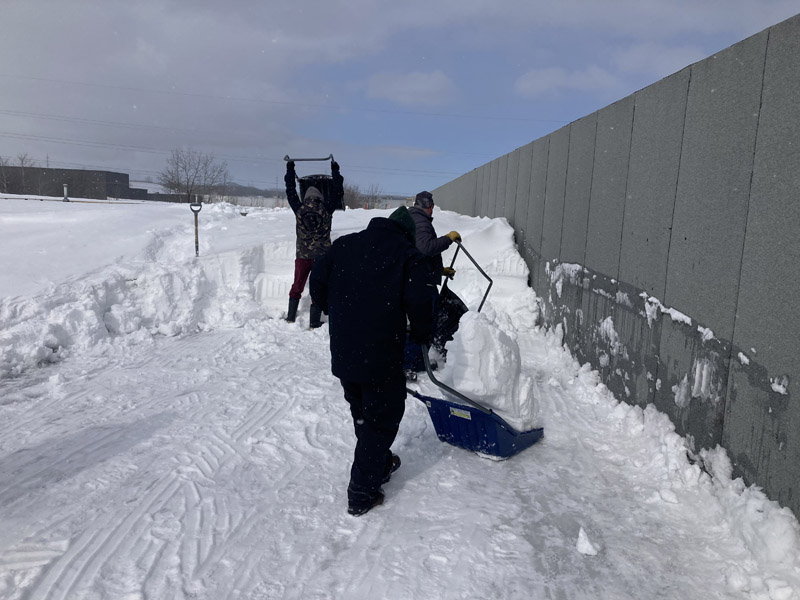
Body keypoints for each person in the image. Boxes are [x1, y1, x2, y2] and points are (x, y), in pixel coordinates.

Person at [309, 206, 435, 516]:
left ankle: (378, 464)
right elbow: (422, 302)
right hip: (379, 353)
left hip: (344, 350)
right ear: (406, 233)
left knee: (363, 412)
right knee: (381, 418)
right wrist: (421, 335)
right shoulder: (407, 255)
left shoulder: (345, 245)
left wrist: (334, 309)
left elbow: (317, 279)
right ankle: (361, 493)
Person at [403, 190, 461, 376]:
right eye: (431, 206)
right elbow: (425, 247)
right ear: (430, 207)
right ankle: (410, 364)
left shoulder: (414, 218)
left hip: (418, 278)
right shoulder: (421, 221)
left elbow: (418, 253)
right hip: (420, 283)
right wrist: (448, 239)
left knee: (422, 323)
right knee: (424, 324)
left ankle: (415, 360)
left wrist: (439, 271)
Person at [285, 159, 344, 328]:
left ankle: (290, 317)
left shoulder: (299, 208)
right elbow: (337, 192)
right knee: (317, 287)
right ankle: (314, 321)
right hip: (322, 256)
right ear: (320, 197)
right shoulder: (327, 209)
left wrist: (290, 169)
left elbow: (290, 191)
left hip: (302, 255)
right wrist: (336, 172)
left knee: (297, 285)